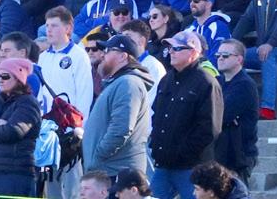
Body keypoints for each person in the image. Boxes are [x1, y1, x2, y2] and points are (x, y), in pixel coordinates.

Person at [151, 28, 222, 199]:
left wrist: (182, 153)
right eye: (170, 48)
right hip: (163, 164)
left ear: (193, 52)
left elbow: (209, 129)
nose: (171, 52)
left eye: (177, 48)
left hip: (192, 168)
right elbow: (157, 117)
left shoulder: (206, 82)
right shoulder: (166, 80)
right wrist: (156, 146)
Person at [86, 34, 156, 179]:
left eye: (108, 51)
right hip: (109, 169)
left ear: (123, 56)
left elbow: (121, 129)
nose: (102, 55)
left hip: (117, 172)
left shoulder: (128, 83)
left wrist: (97, 156)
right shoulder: (119, 82)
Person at [0, 56, 43, 195]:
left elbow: (12, 132)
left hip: (14, 175)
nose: (0, 80)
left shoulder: (28, 103)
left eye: (5, 76)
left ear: (18, 78)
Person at [212, 39, 259, 181]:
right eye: (218, 55)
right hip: (219, 152)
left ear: (239, 59)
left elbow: (222, 115)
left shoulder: (245, 85)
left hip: (238, 156)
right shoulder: (217, 82)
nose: (220, 58)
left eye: (225, 55)